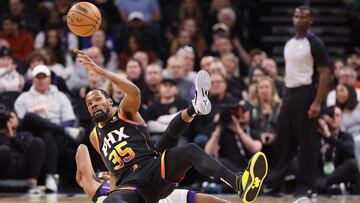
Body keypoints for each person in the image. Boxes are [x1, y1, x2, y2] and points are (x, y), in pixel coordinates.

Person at [74, 49, 268, 203]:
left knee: (190, 150)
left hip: (153, 168)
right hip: (131, 186)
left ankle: (239, 182)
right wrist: (111, 187)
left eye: (97, 100)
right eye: (89, 104)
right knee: (114, 200)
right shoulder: (94, 136)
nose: (93, 105)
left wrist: (100, 71)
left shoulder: (124, 112)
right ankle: (194, 108)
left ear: (109, 101)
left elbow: (134, 91)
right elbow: (111, 171)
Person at [267, 5, 330, 196]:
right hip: (290, 95)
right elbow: (289, 72)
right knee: (284, 140)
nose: (298, 19)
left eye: (302, 16)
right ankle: (275, 183)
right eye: (295, 16)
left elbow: (325, 73)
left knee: (308, 142)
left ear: (310, 20)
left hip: (306, 94)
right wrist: (285, 96)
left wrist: (318, 102)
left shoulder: (315, 43)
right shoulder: (289, 43)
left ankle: (307, 185)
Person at [75, 144, 230, 203]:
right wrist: (104, 150)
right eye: (102, 173)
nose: (107, 174)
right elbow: (82, 149)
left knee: (201, 199)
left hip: (151, 191)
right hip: (129, 198)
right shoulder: (97, 189)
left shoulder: (129, 172)